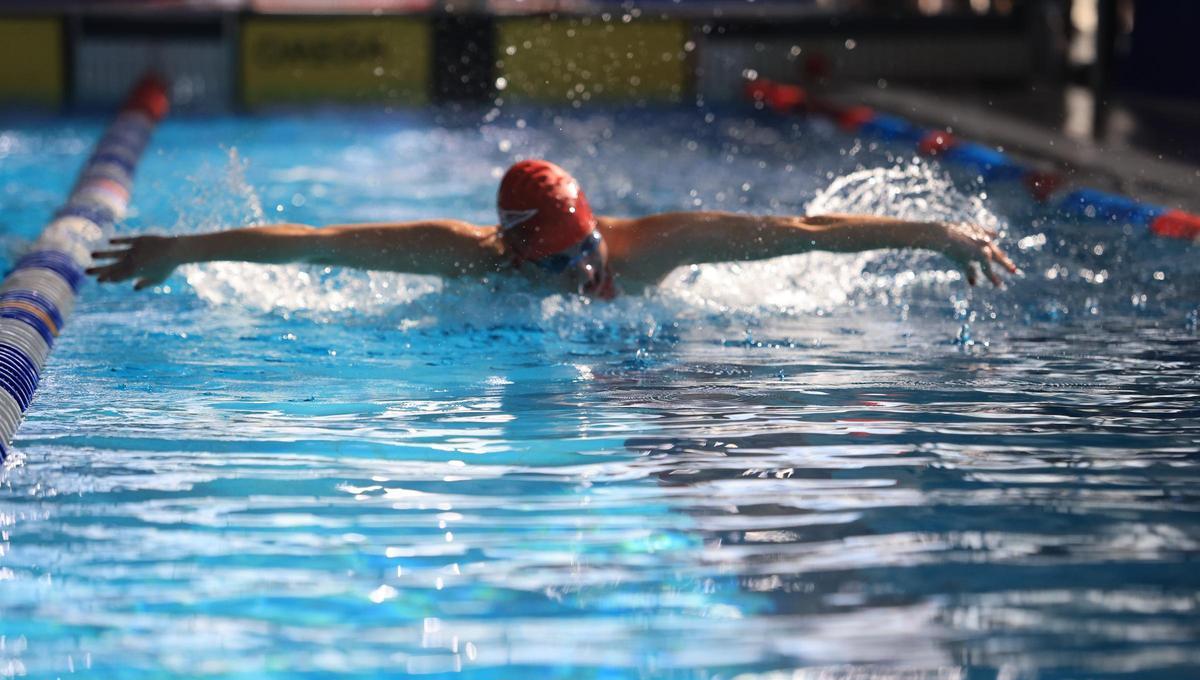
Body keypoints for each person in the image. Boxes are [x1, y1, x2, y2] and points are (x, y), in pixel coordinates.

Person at [88, 159, 1017, 299]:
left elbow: (807, 233)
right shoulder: (470, 259)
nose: (580, 269)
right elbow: (318, 242)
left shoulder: (661, 246)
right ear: (514, 248)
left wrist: (937, 235)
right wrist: (183, 250)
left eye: (585, 248)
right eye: (557, 257)